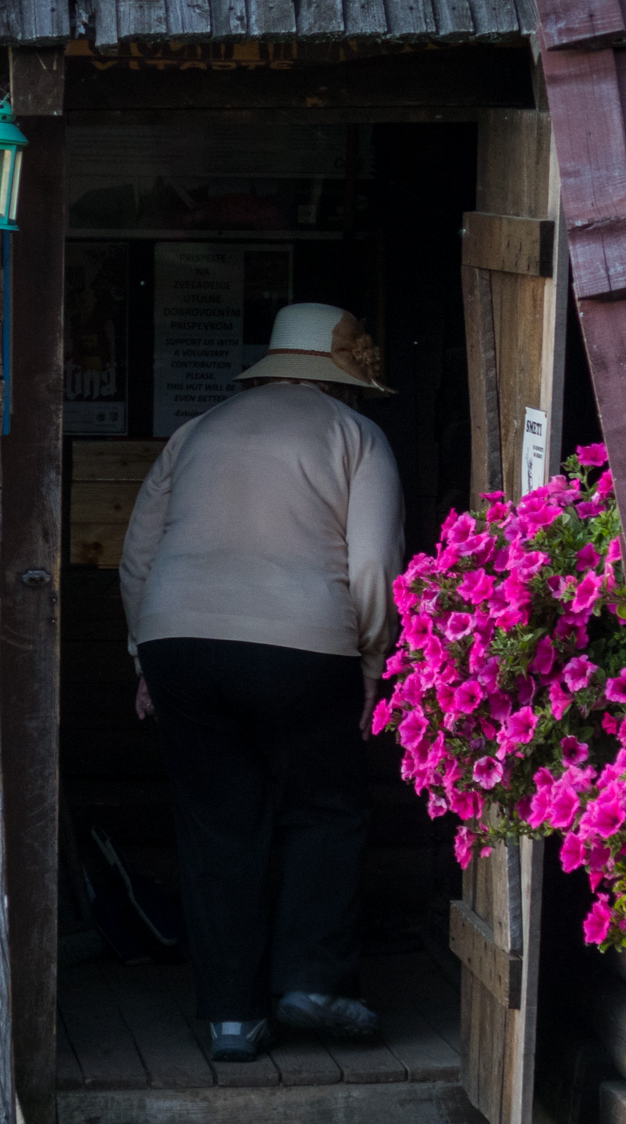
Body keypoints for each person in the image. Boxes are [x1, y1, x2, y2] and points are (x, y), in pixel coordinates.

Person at [120, 302, 406, 1063]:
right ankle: (312, 981)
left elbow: (138, 555)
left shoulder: (198, 432)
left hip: (181, 639)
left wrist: (144, 656)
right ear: (339, 375)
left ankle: (231, 1018)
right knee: (326, 808)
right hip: (309, 646)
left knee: (217, 825)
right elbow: (374, 563)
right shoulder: (357, 436)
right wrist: (371, 659)